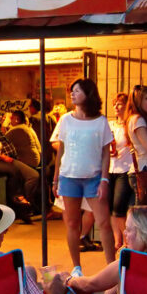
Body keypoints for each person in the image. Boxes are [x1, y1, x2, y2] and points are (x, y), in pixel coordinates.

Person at [52, 78, 115, 268]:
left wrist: (104, 179)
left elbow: (106, 152)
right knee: (72, 223)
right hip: (69, 176)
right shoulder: (65, 120)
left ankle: (111, 266)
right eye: (72, 90)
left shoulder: (101, 121)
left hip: (94, 177)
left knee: (104, 222)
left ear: (88, 94)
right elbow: (61, 150)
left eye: (77, 90)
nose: (72, 93)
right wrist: (55, 179)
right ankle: (76, 267)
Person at [0, 112, 38, 220]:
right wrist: (3, 157)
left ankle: (19, 201)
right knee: (12, 170)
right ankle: (16, 197)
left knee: (14, 169)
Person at [106, 92, 134, 251]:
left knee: (119, 206)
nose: (116, 107)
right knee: (111, 207)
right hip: (110, 167)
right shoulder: (110, 125)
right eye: (114, 104)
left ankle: (126, 241)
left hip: (125, 168)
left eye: (120, 104)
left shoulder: (130, 124)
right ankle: (117, 240)